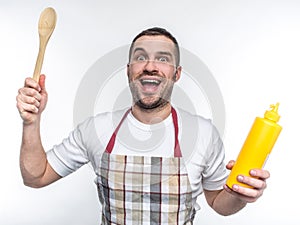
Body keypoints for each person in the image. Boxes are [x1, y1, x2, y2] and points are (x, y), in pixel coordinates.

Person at [16, 27, 270, 224]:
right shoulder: (96, 128)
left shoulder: (203, 133)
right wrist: (31, 121)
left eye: (162, 58)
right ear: (129, 70)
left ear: (176, 73)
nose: (150, 66)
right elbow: (36, 176)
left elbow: (219, 203)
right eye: (141, 57)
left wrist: (238, 194)